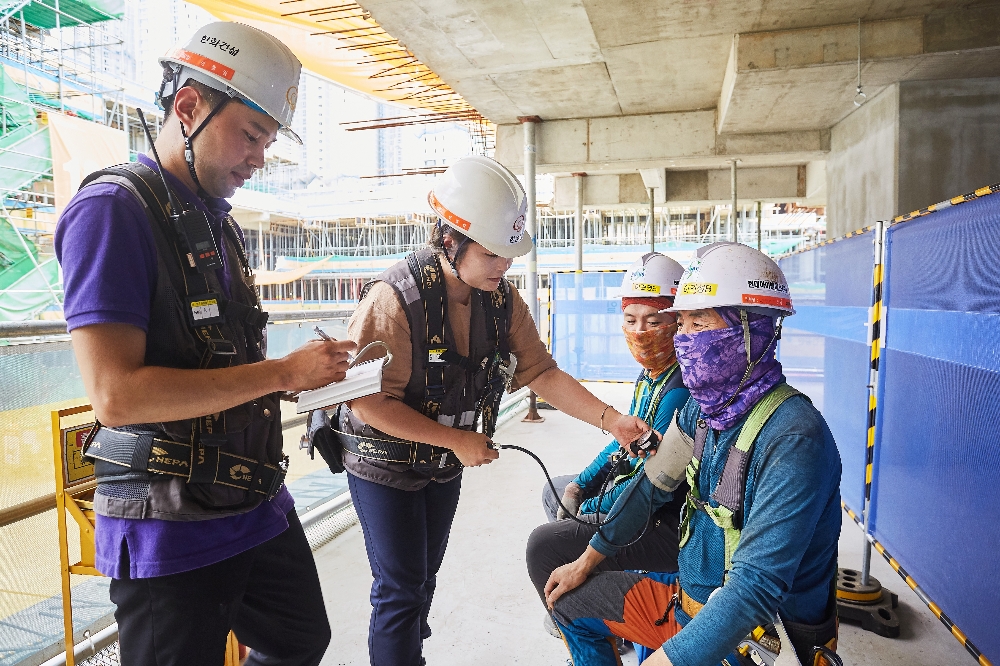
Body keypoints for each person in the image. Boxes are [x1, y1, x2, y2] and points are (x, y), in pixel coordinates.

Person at [54, 22, 352, 666]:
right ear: (188, 107)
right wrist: (282, 374)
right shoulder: (112, 211)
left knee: (300, 638)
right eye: (251, 134)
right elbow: (116, 396)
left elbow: (219, 357)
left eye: (268, 142)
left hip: (250, 498)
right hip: (168, 524)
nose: (259, 158)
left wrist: (302, 376)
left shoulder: (216, 222)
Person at [338, 155, 651, 666]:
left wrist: (610, 420)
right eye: (492, 254)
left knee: (422, 580)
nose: (504, 265)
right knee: (399, 588)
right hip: (384, 464)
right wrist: (456, 440)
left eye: (509, 253)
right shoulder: (393, 299)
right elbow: (366, 400)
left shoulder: (502, 301)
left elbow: (542, 373)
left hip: (442, 464)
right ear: (449, 241)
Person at [542, 242, 843, 666]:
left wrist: (667, 660)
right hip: (686, 606)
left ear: (752, 331)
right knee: (568, 602)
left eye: (698, 323)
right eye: (680, 323)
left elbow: (754, 590)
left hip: (757, 643)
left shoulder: (794, 438)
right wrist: (587, 559)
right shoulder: (702, 412)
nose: (682, 339)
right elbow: (650, 488)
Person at [527, 254, 690, 618]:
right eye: (631, 320)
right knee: (556, 490)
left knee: (545, 543)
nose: (640, 331)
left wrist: (589, 507)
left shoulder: (678, 390)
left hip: (660, 514)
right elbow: (623, 441)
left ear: (677, 322)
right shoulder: (651, 376)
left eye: (654, 321)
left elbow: (650, 485)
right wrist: (580, 486)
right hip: (636, 490)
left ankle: (577, 616)